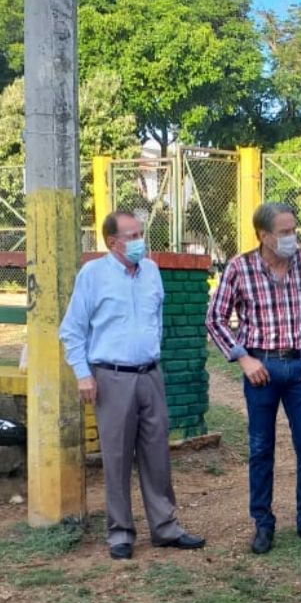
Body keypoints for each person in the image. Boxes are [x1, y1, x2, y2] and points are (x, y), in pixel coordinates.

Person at [59, 211, 206, 560]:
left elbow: (155, 321)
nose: (140, 239)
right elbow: (72, 330)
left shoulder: (152, 272)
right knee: (117, 456)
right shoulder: (93, 275)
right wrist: (83, 374)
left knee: (157, 455)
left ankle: (165, 528)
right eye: (132, 234)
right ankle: (120, 533)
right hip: (111, 377)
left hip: (150, 375)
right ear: (112, 242)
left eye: (141, 232)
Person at [206, 201, 301, 555]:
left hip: (299, 370)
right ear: (264, 236)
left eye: (294, 229)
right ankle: (263, 523)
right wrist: (243, 358)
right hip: (261, 370)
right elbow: (215, 319)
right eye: (284, 232)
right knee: (261, 449)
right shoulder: (240, 268)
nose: (292, 237)